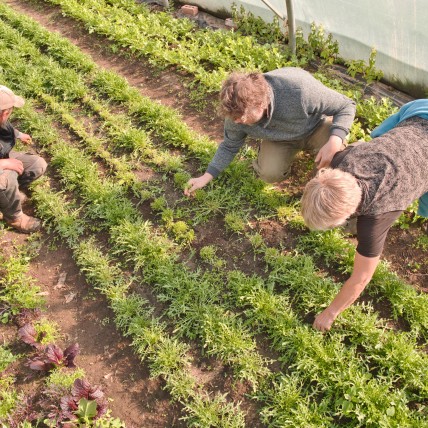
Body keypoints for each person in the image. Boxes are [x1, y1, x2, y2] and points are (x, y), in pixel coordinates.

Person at [300, 99, 428, 332]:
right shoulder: (341, 160)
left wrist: (330, 313)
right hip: (419, 110)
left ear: (347, 215)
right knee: (378, 136)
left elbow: (361, 278)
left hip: (421, 119)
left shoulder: (376, 219)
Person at [184, 67, 356, 196]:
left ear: (260, 105)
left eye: (241, 118)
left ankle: (339, 155)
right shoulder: (236, 114)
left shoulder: (300, 91)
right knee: (269, 173)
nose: (237, 122)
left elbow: (346, 105)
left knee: (334, 162)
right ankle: (288, 157)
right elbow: (229, 146)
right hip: (280, 138)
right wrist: (206, 176)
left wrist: (335, 139)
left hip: (315, 126)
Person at [0, 85, 47, 233]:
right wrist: (4, 163)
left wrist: (19, 135)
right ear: (5, 114)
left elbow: (5, 128)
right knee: (5, 177)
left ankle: (5, 198)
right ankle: (15, 218)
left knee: (36, 164)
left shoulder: (1, 119)